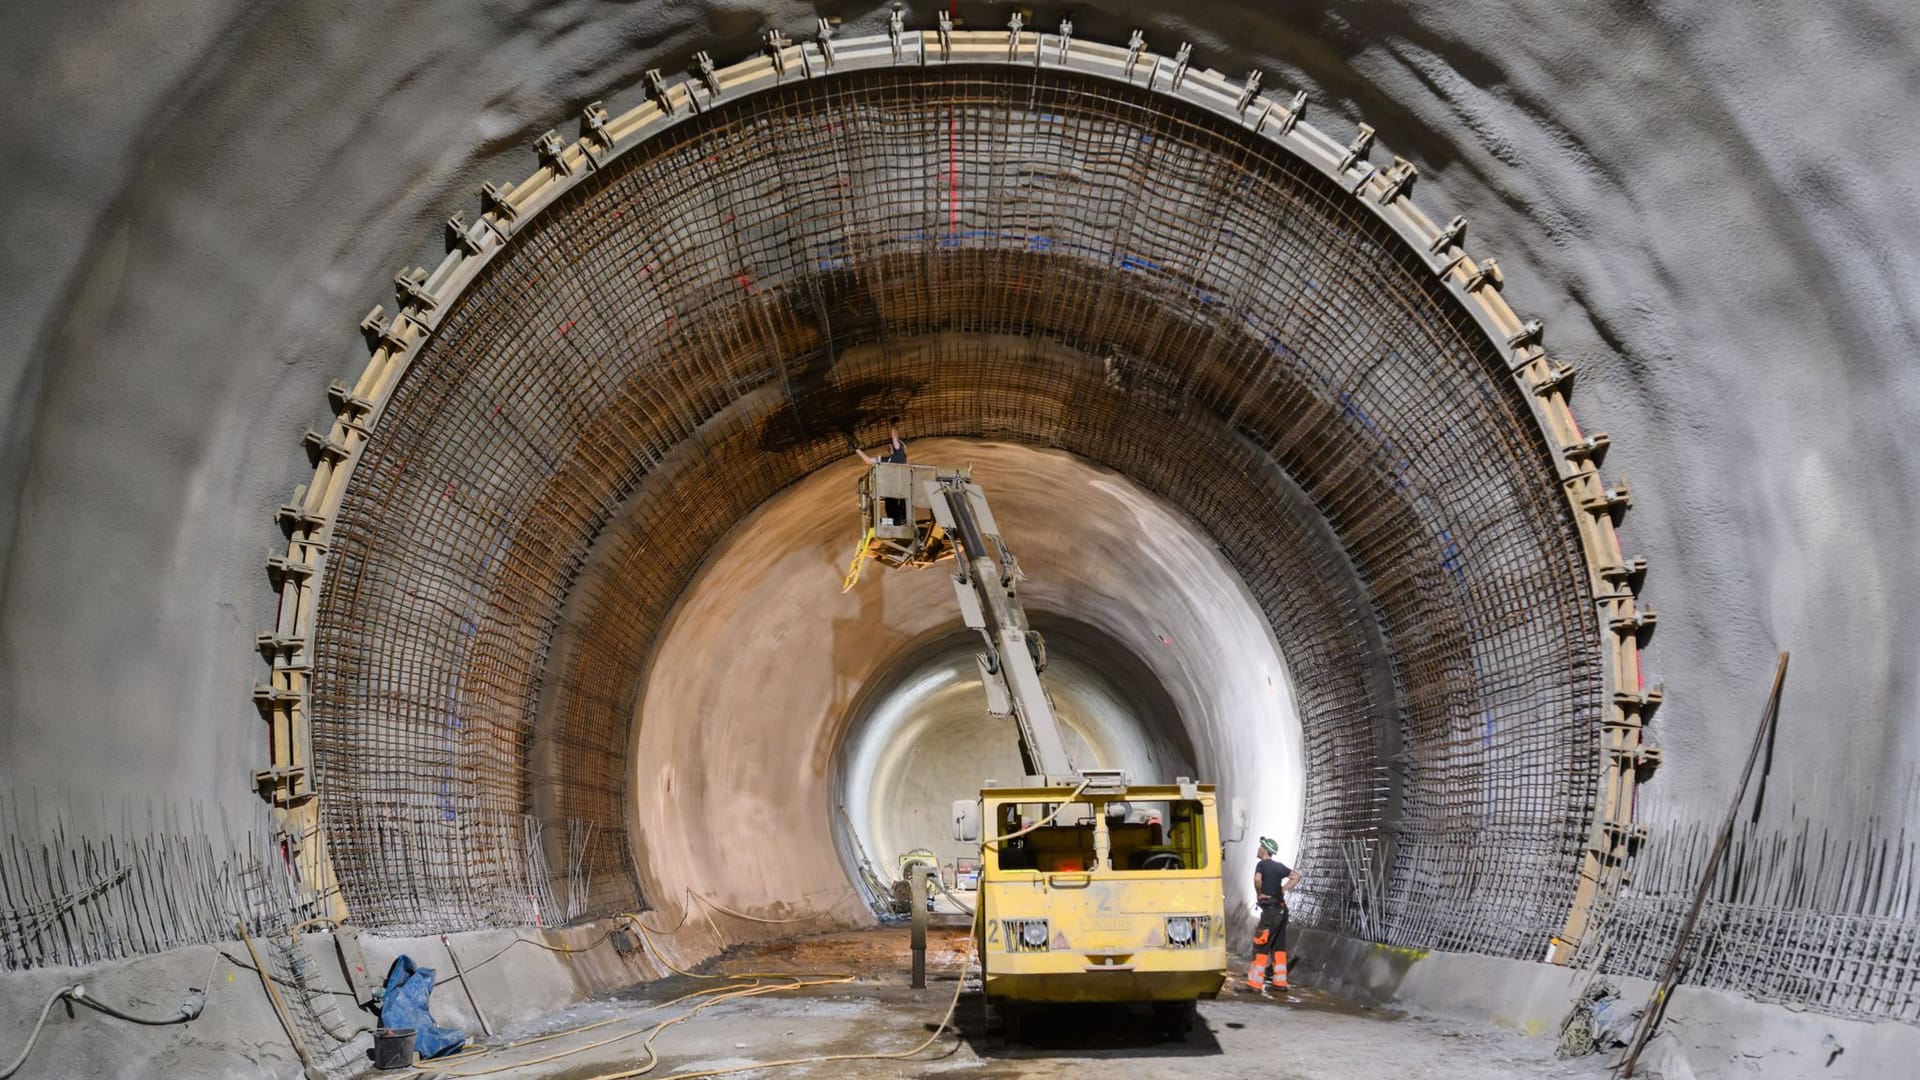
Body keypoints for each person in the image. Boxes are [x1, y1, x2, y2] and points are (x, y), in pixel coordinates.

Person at [1247, 836, 1301, 993]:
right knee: (1279, 947)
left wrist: (1259, 893)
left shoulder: (1261, 865)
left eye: (1260, 847)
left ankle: (1254, 985)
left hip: (1270, 913)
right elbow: (1296, 876)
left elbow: (1257, 880)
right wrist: (1282, 890)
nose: (1258, 850)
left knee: (1261, 945)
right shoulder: (1279, 867)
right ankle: (1280, 983)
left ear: (1264, 850)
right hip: (1282, 911)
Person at [855, 426, 908, 524]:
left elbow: (894, 438)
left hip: (901, 489)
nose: (888, 445)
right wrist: (857, 450)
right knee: (891, 510)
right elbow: (868, 461)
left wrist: (893, 425)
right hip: (890, 491)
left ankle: (902, 520)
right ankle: (896, 523)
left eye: (890, 444)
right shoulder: (885, 459)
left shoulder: (899, 453)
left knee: (901, 510)